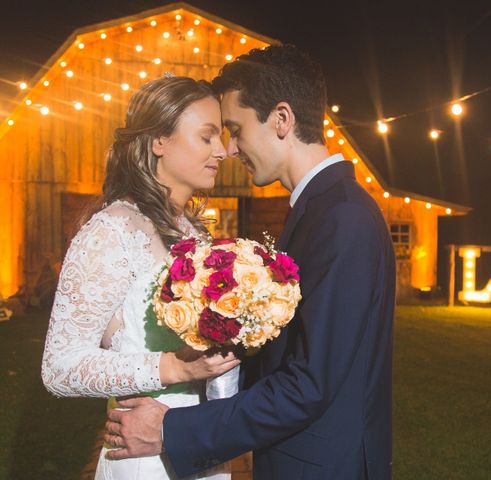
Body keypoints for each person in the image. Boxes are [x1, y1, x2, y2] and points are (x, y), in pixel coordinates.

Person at [106, 45, 396, 480]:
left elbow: (310, 383)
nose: (231, 149)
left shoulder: (343, 218)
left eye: (237, 130)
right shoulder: (318, 209)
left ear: (282, 119)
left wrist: (173, 429)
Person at [41, 75, 241, 480]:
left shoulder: (196, 234)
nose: (222, 151)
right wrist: (175, 368)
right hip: (145, 454)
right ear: (159, 141)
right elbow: (59, 368)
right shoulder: (111, 231)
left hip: (200, 443)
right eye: (206, 138)